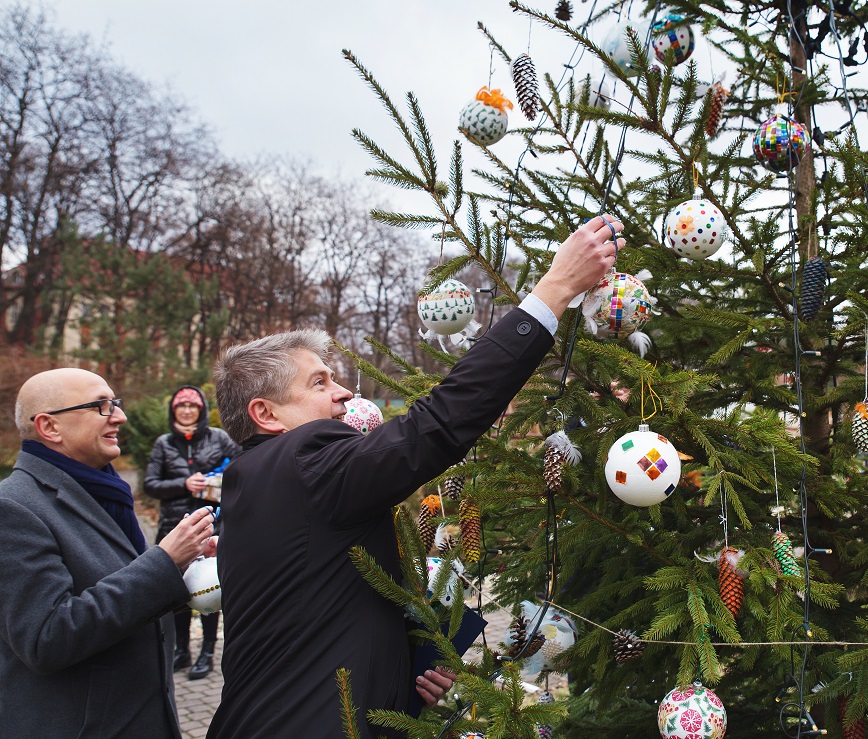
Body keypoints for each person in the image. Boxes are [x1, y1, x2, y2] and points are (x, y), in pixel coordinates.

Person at [207, 215, 622, 738]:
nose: (343, 394)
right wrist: (555, 289)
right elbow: (436, 425)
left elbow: (315, 611)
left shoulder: (258, 483)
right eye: (319, 382)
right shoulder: (302, 460)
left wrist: (409, 665)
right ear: (266, 415)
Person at [0, 368, 217, 738]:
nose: (120, 416)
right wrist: (164, 561)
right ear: (50, 427)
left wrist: (186, 571)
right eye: (100, 406)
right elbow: (46, 637)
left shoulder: (102, 491)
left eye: (115, 403)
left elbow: (116, 589)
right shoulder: (14, 507)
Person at [145, 385, 240, 680]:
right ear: (173, 411)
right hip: (173, 527)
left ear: (200, 411)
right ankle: (181, 650)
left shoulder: (219, 437)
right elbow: (150, 484)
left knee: (209, 587)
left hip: (212, 525)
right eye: (180, 407)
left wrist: (218, 481)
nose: (187, 411)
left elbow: (242, 467)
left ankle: (207, 652)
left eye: (192, 407)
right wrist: (183, 484)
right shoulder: (164, 443)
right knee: (177, 590)